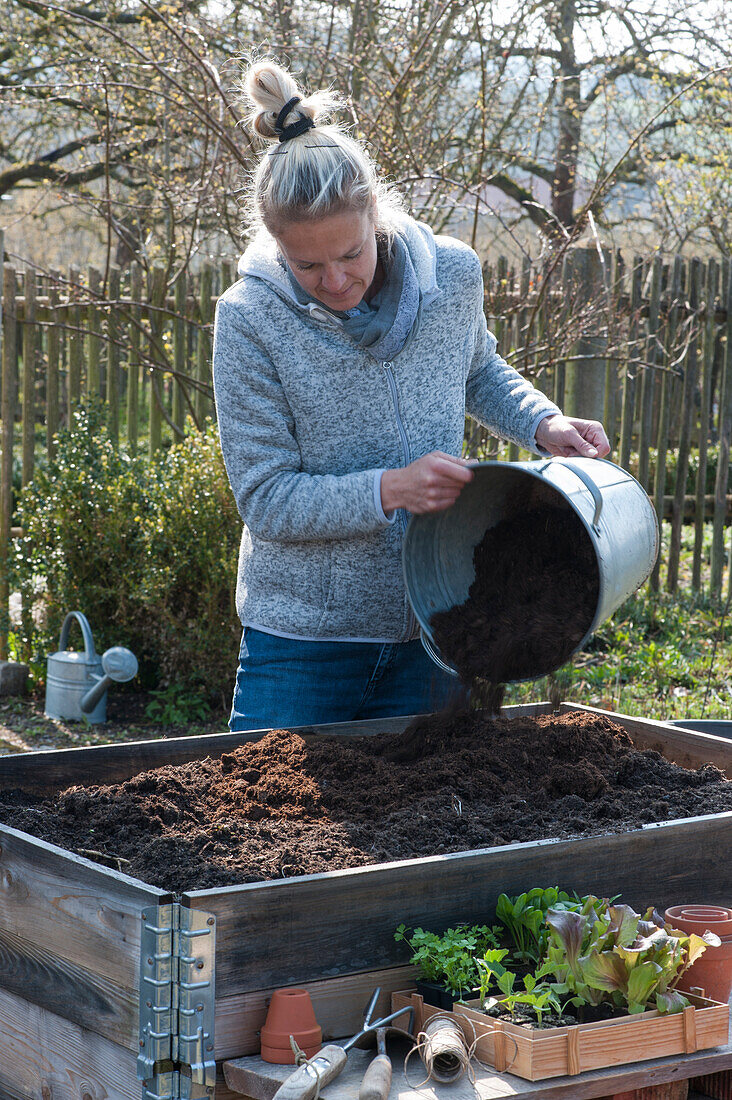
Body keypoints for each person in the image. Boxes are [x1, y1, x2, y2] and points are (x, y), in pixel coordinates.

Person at [212, 59, 610, 732]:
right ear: (277, 248)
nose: (335, 280)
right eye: (308, 266)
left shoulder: (451, 277)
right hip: (304, 645)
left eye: (351, 254)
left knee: (431, 831)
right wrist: (390, 491)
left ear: (376, 215)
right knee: (272, 831)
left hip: (442, 622)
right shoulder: (250, 318)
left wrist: (543, 422)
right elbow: (266, 497)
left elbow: (477, 368)